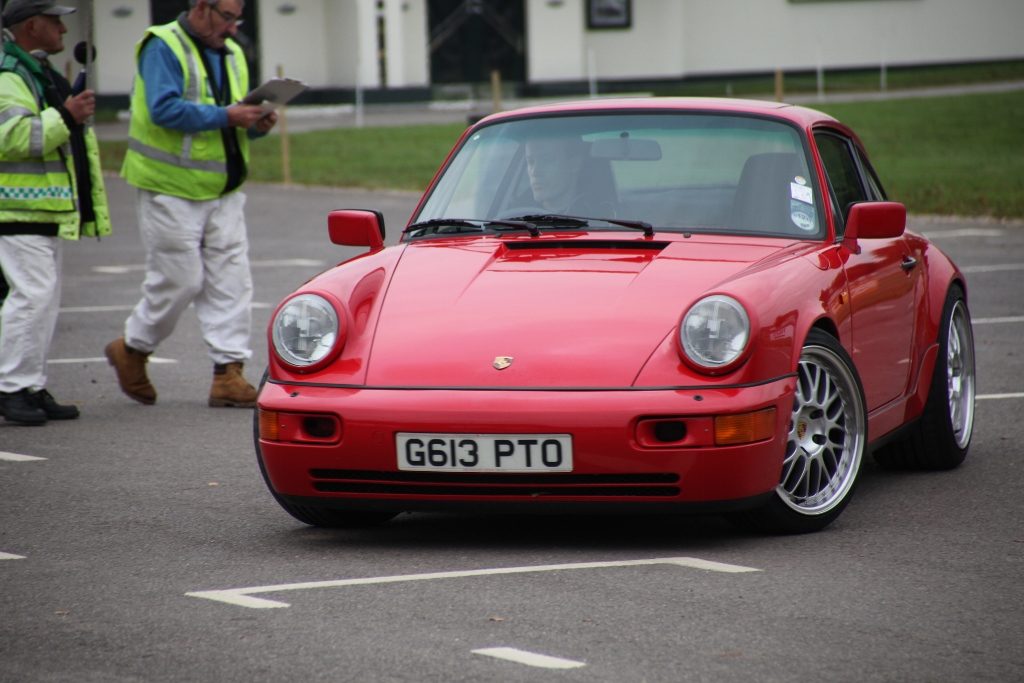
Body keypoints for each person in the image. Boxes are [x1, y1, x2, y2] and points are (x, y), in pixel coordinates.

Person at [105, 0, 277, 408]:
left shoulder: (231, 51)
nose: (233, 28)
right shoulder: (162, 45)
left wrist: (256, 124)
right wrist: (229, 116)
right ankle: (132, 348)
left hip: (223, 188)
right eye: (227, 17)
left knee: (231, 281)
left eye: (238, 18)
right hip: (170, 187)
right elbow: (162, 109)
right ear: (202, 7)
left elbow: (232, 116)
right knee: (179, 280)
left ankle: (228, 373)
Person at [0, 0, 112, 426]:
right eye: (55, 22)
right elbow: (11, 137)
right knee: (31, 298)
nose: (63, 30)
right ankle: (10, 386)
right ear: (31, 25)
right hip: (17, 209)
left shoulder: (34, 69)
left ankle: (30, 383)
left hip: (41, 207)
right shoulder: (9, 74)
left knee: (42, 302)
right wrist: (66, 114)